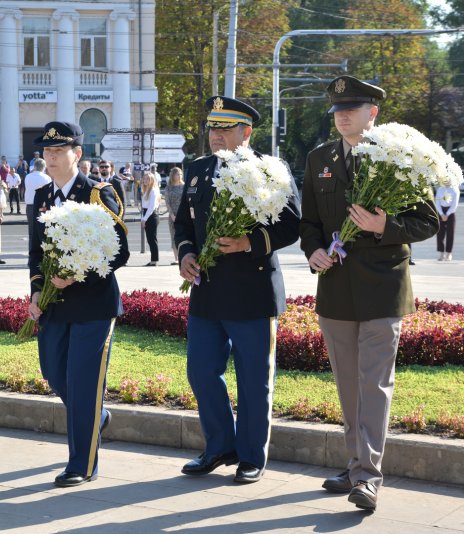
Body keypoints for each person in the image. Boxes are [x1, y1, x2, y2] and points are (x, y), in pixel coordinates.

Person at [299, 75, 439, 511]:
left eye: (353, 108)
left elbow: (428, 220)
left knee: (374, 384)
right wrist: (315, 251)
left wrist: (385, 227)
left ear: (372, 113)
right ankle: (356, 462)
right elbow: (309, 223)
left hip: (383, 288)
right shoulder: (319, 157)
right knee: (347, 384)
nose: (343, 115)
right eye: (338, 110)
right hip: (336, 287)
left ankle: (367, 476)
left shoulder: (398, 159)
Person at [175, 96, 301, 484]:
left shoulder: (269, 170)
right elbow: (183, 223)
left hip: (251, 292)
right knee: (200, 371)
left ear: (246, 132)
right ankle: (219, 446)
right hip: (207, 291)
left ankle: (250, 455)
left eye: (225, 128)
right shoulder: (196, 170)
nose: (215, 136)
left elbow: (292, 224)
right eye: (212, 128)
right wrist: (185, 254)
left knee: (253, 379)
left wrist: (250, 242)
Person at [28, 121, 129, 487]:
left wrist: (77, 275)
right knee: (53, 372)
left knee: (83, 383)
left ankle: (82, 465)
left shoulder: (98, 194)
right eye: (47, 152)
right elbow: (35, 253)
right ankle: (96, 418)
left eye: (59, 151)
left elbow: (120, 253)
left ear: (77, 154)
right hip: (55, 306)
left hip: (93, 305)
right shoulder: (41, 196)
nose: (51, 158)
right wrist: (37, 290)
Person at [23, 158, 51, 244]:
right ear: (44, 167)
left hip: (30, 206)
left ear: (34, 166)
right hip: (42, 207)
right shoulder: (47, 178)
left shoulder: (28, 176)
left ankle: (31, 253)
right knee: (43, 231)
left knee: (31, 232)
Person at [164, 167, 185, 264]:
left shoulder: (184, 186)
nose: (179, 176)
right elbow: (167, 202)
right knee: (173, 236)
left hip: (183, 214)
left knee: (183, 235)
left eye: (180, 174)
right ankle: (176, 258)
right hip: (173, 215)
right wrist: (172, 214)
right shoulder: (168, 187)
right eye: (177, 174)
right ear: (173, 175)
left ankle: (182, 256)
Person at [140, 171, 160, 266]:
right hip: (147, 214)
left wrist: (144, 219)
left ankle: (154, 260)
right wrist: (143, 218)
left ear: (152, 180)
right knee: (150, 239)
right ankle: (153, 259)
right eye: (144, 178)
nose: (145, 180)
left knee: (152, 239)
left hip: (151, 216)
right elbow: (144, 207)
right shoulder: (146, 190)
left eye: (148, 179)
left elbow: (151, 207)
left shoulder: (153, 191)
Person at [435, 183, 458, 261]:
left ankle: (449, 253)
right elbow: (437, 202)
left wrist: (447, 214)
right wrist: (441, 214)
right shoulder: (440, 189)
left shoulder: (455, 190)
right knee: (440, 233)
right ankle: (441, 253)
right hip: (441, 211)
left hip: (450, 212)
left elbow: (455, 204)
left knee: (450, 233)